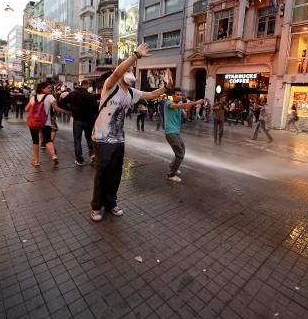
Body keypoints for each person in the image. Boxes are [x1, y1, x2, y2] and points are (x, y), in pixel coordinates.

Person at [90, 44, 171, 222]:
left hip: (119, 139)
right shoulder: (110, 86)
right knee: (102, 172)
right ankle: (96, 206)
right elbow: (118, 73)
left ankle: (111, 203)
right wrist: (135, 56)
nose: (130, 72)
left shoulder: (132, 92)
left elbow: (151, 95)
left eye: (132, 70)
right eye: (129, 69)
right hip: (102, 138)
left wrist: (165, 88)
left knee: (116, 173)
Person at [25, 82, 70, 167]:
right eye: (48, 88)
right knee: (48, 140)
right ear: (42, 89)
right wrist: (67, 112)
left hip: (34, 122)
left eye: (50, 88)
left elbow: (26, 109)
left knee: (35, 141)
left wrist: (34, 110)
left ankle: (36, 161)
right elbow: (56, 108)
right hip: (46, 122)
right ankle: (53, 156)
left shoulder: (33, 97)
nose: (50, 89)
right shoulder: (50, 97)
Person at [163, 88, 203, 183]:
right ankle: (171, 175)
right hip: (170, 132)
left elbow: (186, 117)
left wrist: (188, 109)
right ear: (173, 95)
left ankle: (173, 167)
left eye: (181, 95)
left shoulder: (179, 107)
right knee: (180, 154)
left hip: (177, 132)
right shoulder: (168, 103)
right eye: (177, 94)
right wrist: (195, 102)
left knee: (182, 151)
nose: (179, 96)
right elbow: (178, 105)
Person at [60, 80, 98, 166]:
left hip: (77, 120)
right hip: (89, 121)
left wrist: (70, 110)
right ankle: (92, 154)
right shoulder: (91, 96)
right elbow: (96, 108)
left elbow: (62, 103)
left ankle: (79, 160)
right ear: (87, 85)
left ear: (81, 85)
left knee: (77, 140)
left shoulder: (73, 94)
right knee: (89, 138)